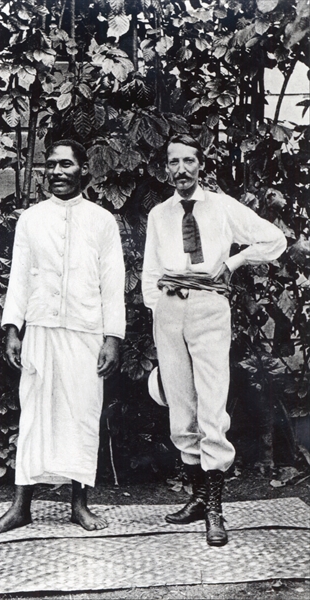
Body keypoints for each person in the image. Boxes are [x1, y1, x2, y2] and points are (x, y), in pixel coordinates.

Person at [142, 134, 287, 546]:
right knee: (179, 406)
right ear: (165, 167)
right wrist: (161, 310)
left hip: (209, 306)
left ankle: (216, 510)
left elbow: (274, 239)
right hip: (170, 309)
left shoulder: (221, 206)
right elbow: (151, 272)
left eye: (189, 161)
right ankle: (197, 499)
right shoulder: (159, 214)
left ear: (200, 165)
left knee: (211, 403)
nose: (182, 169)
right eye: (174, 162)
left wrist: (235, 261)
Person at [0, 139, 125, 534]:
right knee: (34, 415)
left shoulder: (101, 220)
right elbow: (18, 277)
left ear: (84, 170)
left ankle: (79, 505)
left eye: (66, 165)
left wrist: (112, 337)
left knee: (82, 413)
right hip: (41, 329)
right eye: (51, 165)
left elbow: (113, 284)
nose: (57, 172)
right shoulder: (31, 218)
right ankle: (20, 505)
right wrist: (13, 329)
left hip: (86, 331)